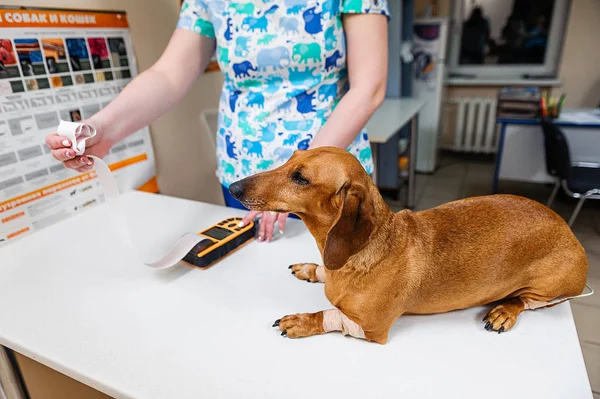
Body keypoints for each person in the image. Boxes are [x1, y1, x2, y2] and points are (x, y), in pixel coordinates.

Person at [45, 0, 389, 242]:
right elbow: (168, 75)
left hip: (326, 183)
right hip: (242, 176)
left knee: (336, 290)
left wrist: (288, 184)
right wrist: (104, 128)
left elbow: (369, 87)